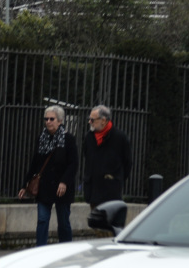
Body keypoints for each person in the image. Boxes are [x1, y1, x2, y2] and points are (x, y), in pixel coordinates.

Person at [17, 106, 78, 245]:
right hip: (44, 187)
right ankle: (40, 249)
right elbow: (35, 163)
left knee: (63, 222)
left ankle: (66, 248)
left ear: (60, 121)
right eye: (46, 119)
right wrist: (25, 185)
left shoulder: (68, 139)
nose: (48, 122)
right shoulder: (42, 138)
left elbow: (73, 164)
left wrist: (64, 182)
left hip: (61, 188)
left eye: (52, 119)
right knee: (42, 220)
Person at [82, 104, 132, 208]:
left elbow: (127, 163)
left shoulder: (120, 137)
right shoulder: (89, 137)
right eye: (89, 119)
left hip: (111, 190)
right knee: (96, 221)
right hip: (93, 190)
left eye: (92, 120)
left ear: (103, 120)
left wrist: (116, 178)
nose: (89, 122)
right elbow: (86, 157)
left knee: (109, 222)